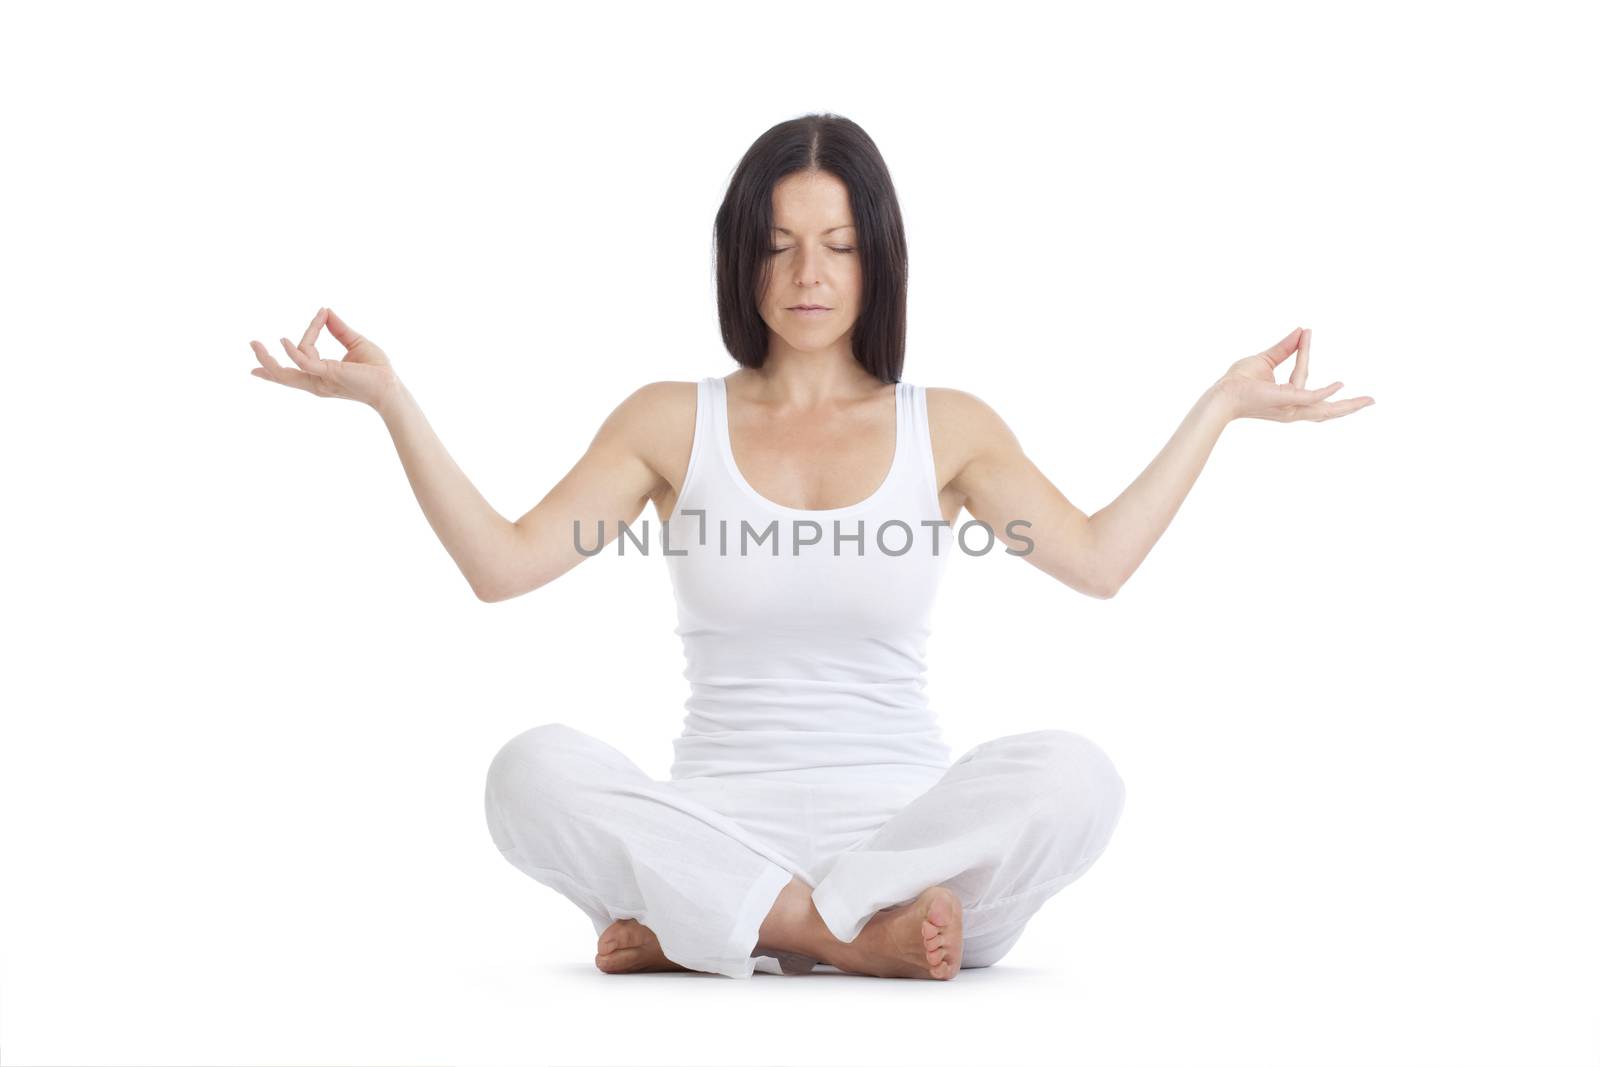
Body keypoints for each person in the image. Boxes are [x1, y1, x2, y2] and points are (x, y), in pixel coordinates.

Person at [248, 113, 1374, 981]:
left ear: (876, 256)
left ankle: (720, 930)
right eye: (779, 246)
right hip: (714, 816)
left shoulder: (950, 427)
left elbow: (1096, 560)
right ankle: (837, 939)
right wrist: (391, 400)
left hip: (904, 834)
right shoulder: (667, 420)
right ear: (742, 259)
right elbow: (503, 565)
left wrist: (1218, 409)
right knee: (527, 768)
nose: (807, 276)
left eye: (836, 244)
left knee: (1078, 773)